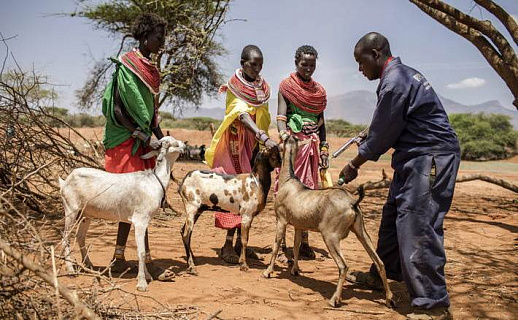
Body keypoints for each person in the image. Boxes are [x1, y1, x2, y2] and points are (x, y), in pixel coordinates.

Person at [340, 32, 460, 320]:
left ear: (376, 54)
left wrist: (354, 164)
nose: (359, 69)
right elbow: (388, 124)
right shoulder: (402, 77)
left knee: (418, 223)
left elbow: (381, 137)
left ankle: (434, 305)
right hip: (412, 158)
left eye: (360, 62)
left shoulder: (395, 82)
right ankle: (386, 273)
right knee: (394, 216)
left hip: (428, 158)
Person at [102, 13, 174, 281]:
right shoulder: (126, 66)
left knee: (139, 204)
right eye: (158, 37)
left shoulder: (151, 71)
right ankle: (132, 259)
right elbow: (119, 110)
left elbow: (151, 114)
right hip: (124, 140)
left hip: (143, 141)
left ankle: (120, 258)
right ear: (145, 37)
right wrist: (144, 138)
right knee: (131, 202)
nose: (162, 43)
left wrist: (162, 139)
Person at [204, 45, 279, 264]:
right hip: (235, 145)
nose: (257, 69)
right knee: (236, 194)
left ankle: (241, 243)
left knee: (251, 195)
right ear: (242, 63)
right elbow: (241, 114)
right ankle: (227, 244)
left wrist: (259, 139)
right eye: (253, 64)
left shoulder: (261, 88)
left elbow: (261, 114)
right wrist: (262, 136)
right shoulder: (234, 86)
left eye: (260, 65)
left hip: (252, 145)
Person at [275, 45, 329, 261]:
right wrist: (284, 137)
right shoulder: (286, 87)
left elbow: (322, 123)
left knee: (307, 194)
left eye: (312, 65)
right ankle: (282, 246)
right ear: (296, 63)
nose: (308, 68)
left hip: (312, 150)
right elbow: (280, 117)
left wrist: (324, 147)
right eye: (304, 64)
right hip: (293, 149)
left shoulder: (319, 93)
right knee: (286, 194)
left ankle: (304, 244)